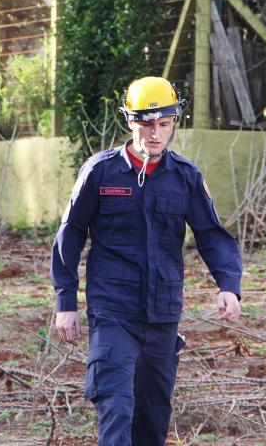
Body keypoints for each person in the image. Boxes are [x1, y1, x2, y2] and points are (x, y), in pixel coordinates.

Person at [51, 76, 243, 446]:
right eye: (146, 124)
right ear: (130, 121)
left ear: (173, 124)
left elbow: (212, 235)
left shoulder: (185, 178)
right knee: (116, 406)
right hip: (113, 313)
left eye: (164, 124)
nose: (155, 134)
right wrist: (66, 302)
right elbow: (71, 232)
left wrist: (228, 286)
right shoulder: (100, 172)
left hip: (162, 316)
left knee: (151, 422)